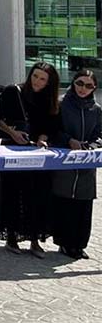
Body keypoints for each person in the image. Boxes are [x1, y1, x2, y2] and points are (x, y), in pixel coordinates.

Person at [0, 62, 60, 257]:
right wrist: (12, 133)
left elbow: (51, 126)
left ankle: (34, 239)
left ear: (49, 82)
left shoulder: (49, 100)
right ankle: (11, 236)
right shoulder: (13, 92)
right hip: (13, 149)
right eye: (35, 76)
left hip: (37, 153)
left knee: (38, 194)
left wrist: (43, 138)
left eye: (42, 79)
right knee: (12, 193)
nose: (37, 81)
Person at [52, 69, 102, 259]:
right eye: (80, 83)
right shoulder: (61, 104)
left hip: (87, 164)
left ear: (94, 88)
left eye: (88, 86)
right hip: (65, 162)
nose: (83, 88)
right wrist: (68, 140)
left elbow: (100, 134)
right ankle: (64, 243)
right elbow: (54, 130)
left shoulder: (96, 109)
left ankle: (79, 245)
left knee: (83, 204)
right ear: (73, 83)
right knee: (65, 202)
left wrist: (92, 145)